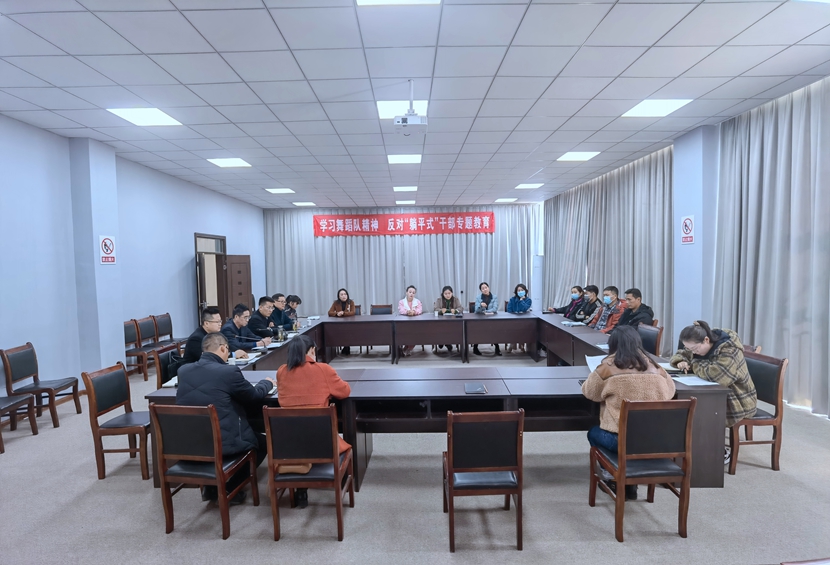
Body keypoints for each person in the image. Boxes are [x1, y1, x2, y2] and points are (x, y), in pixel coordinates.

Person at [176, 332, 276, 505]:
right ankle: (229, 487)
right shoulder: (228, 372)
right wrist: (266, 383)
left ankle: (211, 486)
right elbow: (253, 396)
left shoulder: (183, 371)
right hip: (221, 443)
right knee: (262, 443)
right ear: (223, 348)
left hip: (190, 442)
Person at [581, 326, 676, 500]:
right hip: (656, 440)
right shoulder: (655, 367)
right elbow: (670, 391)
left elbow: (590, 393)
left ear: (612, 344)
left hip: (621, 440)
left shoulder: (607, 367)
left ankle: (614, 477)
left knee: (593, 432)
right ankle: (630, 481)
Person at [276, 334, 351, 508]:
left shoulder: (281, 372)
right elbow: (345, 391)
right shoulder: (323, 369)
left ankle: (301, 490)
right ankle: (338, 482)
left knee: (301, 433)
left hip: (290, 445)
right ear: (310, 351)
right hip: (322, 443)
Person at [671, 320, 757, 448]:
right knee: (683, 407)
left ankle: (712, 451)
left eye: (694, 349)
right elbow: (681, 354)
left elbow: (718, 377)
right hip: (716, 392)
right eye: (690, 349)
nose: (693, 352)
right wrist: (681, 361)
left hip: (738, 398)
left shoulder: (730, 349)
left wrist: (693, 364)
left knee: (699, 411)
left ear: (706, 340)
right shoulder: (699, 342)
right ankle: (686, 448)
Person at [184, 307, 248, 364]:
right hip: (195, 370)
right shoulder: (196, 339)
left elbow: (227, 345)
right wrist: (233, 354)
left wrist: (237, 351)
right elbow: (209, 357)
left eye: (220, 321)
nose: (220, 324)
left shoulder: (217, 334)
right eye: (217, 322)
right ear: (206, 323)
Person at [472, 282, 501, 356]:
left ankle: (497, 348)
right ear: (481, 290)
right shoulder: (478, 298)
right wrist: (481, 306)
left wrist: (486, 312)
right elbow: (476, 310)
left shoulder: (494, 297)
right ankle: (475, 348)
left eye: (486, 287)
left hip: (492, 319)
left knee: (494, 331)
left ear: (488, 288)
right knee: (478, 331)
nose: (485, 289)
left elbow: (495, 308)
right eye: (483, 288)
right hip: (480, 319)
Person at [433, 285, 463, 352]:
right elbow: (435, 309)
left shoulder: (455, 299)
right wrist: (441, 311)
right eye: (445, 294)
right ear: (443, 294)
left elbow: (460, 308)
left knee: (451, 329)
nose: (447, 295)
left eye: (449, 293)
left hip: (453, 321)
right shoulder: (439, 299)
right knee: (442, 328)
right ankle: (445, 342)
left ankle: (445, 342)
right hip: (441, 321)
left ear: (452, 293)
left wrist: (455, 311)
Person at [328, 288, 356, 355]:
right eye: (342, 294)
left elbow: (353, 312)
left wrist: (343, 313)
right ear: (339, 296)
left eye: (345, 294)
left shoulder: (351, 302)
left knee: (347, 331)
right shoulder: (336, 303)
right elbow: (330, 312)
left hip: (349, 323)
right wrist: (337, 314)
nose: (344, 296)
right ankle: (346, 346)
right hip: (339, 324)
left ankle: (346, 346)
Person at [397, 285, 423, 357]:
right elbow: (401, 310)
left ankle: (408, 348)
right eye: (410, 292)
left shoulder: (418, 301)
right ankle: (405, 348)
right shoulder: (401, 302)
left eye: (413, 293)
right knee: (404, 333)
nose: (411, 294)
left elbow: (420, 310)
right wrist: (407, 312)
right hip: (404, 323)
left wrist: (414, 312)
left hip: (415, 323)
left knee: (415, 333)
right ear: (406, 292)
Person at [506, 283, 532, 353]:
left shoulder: (528, 300)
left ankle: (521, 343)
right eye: (518, 290)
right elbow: (509, 310)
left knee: (524, 328)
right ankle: (513, 343)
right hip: (513, 320)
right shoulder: (512, 299)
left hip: (524, 321)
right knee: (514, 327)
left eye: (522, 290)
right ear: (516, 292)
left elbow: (524, 309)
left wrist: (521, 300)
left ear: (525, 291)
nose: (520, 292)